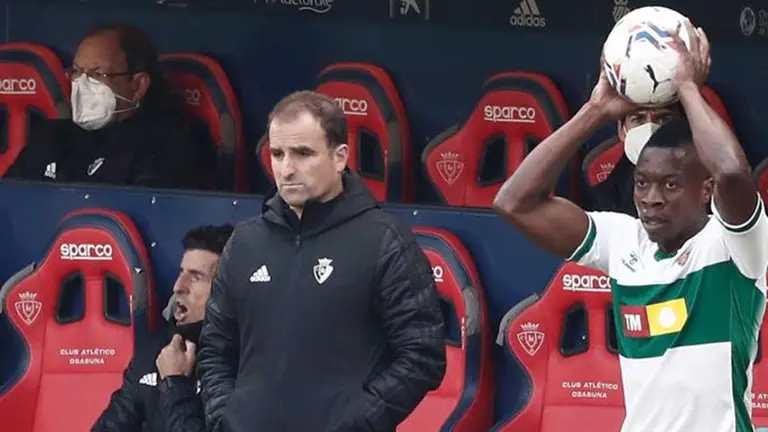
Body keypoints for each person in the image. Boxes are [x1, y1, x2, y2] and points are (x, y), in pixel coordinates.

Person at [493, 23, 767, 432]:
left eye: (670, 185)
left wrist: (689, 88)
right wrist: (597, 111)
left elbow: (731, 169)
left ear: (705, 188)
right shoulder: (623, 241)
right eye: (643, 183)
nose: (651, 198)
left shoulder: (735, 247)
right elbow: (514, 203)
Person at [197, 90, 446, 432]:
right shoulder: (245, 243)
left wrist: (356, 423)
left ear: (340, 156)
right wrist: (227, 418)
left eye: (302, 153)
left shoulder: (385, 240)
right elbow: (215, 348)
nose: (286, 169)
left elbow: (422, 355)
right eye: (278, 154)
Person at [5, 23, 205, 189]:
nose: (82, 83)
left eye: (98, 74)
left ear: (137, 86)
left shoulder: (164, 148)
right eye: (76, 72)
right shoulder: (50, 137)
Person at [92, 224, 234, 432]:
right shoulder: (157, 348)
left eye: (196, 277)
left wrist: (174, 383)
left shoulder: (243, 364)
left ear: (228, 292)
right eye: (181, 273)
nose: (178, 286)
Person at [589, 104, 685, 216]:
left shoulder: (703, 179)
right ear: (622, 130)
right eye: (638, 119)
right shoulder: (608, 192)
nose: (649, 129)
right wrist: (595, 108)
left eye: (663, 119)